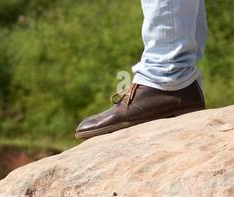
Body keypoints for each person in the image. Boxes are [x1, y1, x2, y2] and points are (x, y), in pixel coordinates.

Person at [75, 0, 208, 140]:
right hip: (186, 81)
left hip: (170, 79)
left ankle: (167, 75)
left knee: (171, 69)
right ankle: (179, 77)